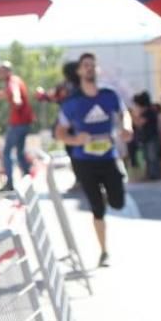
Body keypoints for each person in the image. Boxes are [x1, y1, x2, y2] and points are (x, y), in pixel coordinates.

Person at [54, 53, 133, 268]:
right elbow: (59, 133)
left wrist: (127, 127)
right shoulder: (72, 102)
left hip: (108, 157)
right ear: (79, 71)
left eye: (92, 65)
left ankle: (108, 194)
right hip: (84, 161)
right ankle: (104, 251)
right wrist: (75, 139)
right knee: (97, 208)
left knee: (118, 202)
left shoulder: (109, 95)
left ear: (96, 70)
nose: (89, 69)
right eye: (85, 65)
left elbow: (124, 113)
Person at [0, 61, 34, 192]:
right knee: (20, 152)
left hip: (18, 123)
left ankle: (10, 183)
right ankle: (28, 179)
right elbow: (2, 94)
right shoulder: (15, 81)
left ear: (7, 72)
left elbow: (14, 94)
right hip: (24, 122)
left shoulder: (12, 82)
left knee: (6, 153)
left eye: (0, 71)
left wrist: (16, 100)